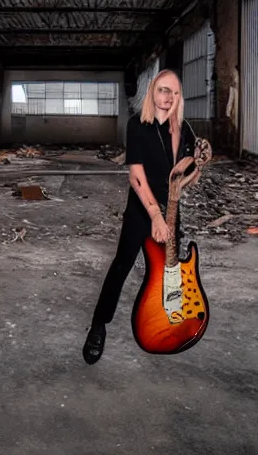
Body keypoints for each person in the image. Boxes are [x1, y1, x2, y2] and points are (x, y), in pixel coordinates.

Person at [82, 69, 201, 364]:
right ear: (152, 92)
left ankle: (167, 322)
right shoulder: (138, 125)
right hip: (141, 207)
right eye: (162, 90)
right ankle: (98, 326)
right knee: (122, 264)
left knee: (169, 271)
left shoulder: (184, 129)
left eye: (173, 92)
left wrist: (198, 163)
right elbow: (136, 175)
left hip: (172, 209)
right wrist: (155, 217)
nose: (167, 97)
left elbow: (190, 177)